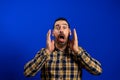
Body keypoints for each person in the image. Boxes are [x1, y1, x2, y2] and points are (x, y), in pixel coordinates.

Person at [24, 17, 102, 80]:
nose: (61, 30)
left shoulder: (78, 52)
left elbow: (98, 70)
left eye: (64, 27)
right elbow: (27, 72)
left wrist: (77, 51)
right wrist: (47, 52)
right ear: (53, 33)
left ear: (69, 32)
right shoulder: (44, 52)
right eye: (57, 28)